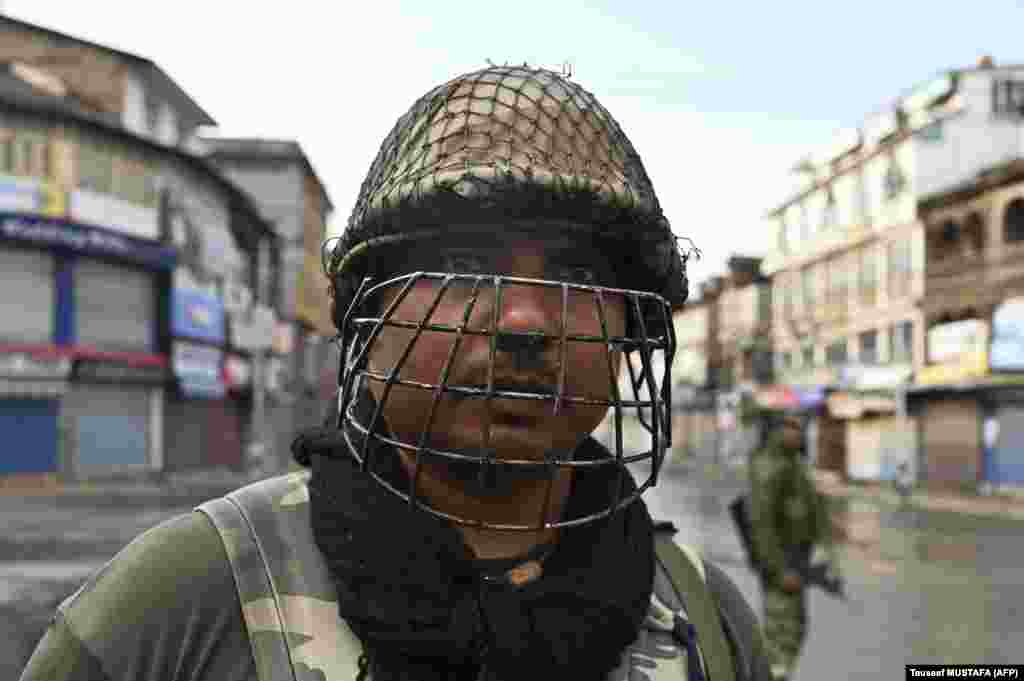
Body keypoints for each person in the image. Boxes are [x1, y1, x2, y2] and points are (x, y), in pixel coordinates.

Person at [21, 65, 771, 681]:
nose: (524, 320)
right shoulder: (184, 599)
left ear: (629, 329)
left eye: (576, 274)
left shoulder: (705, 617)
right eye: (466, 263)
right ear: (368, 316)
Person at [748, 412, 837, 681]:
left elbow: (812, 511)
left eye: (799, 428)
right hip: (781, 564)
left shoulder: (795, 463)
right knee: (781, 633)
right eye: (790, 427)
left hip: (798, 560)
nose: (797, 434)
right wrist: (778, 569)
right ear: (776, 431)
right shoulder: (770, 466)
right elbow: (761, 525)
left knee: (795, 628)